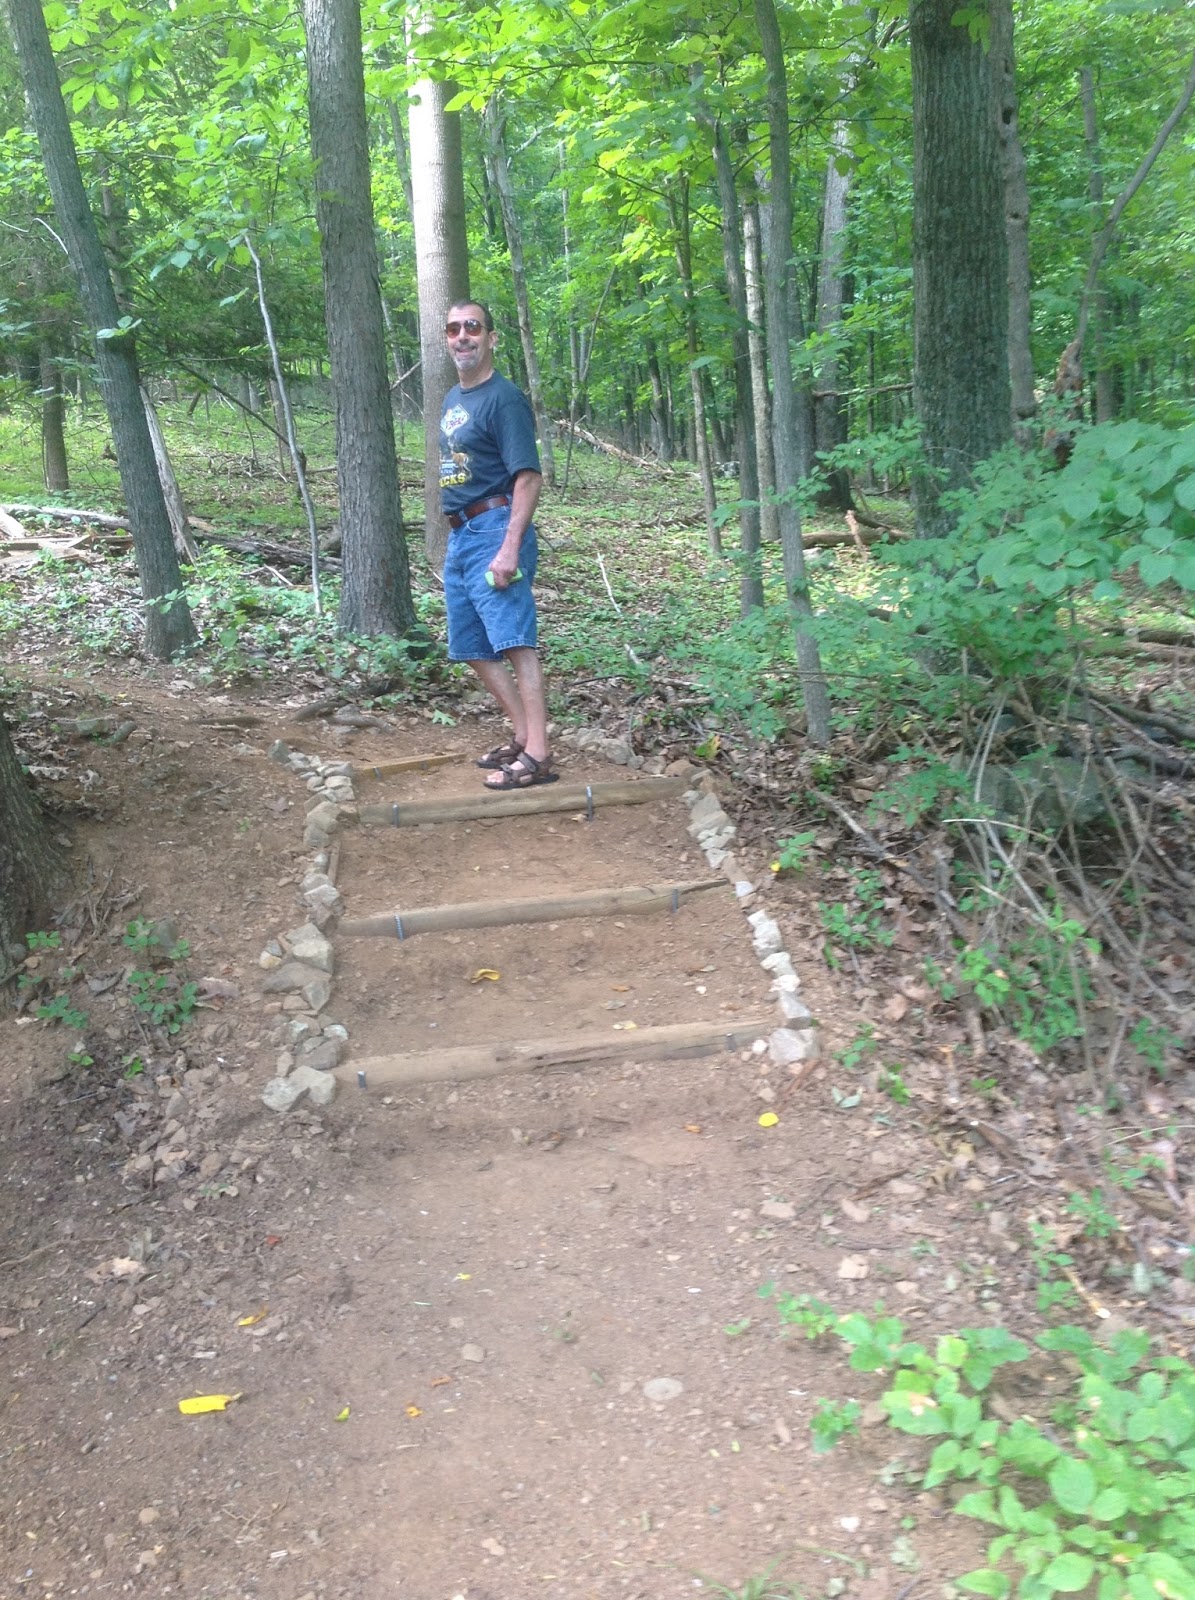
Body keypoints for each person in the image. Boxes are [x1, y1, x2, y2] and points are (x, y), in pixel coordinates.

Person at [439, 300, 555, 790]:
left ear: (491, 338)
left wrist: (509, 548)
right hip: (462, 533)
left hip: (495, 527)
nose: (462, 336)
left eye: (472, 327)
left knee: (514, 642)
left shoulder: (504, 399)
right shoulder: (453, 398)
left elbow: (528, 477)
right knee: (471, 645)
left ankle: (539, 754)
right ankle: (524, 736)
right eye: (453, 329)